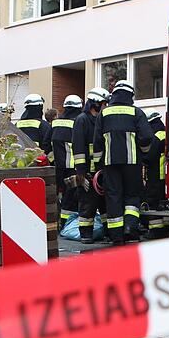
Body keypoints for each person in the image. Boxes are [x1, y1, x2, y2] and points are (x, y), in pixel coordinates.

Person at [92, 80, 153, 245]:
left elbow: (97, 142)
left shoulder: (104, 114)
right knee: (132, 196)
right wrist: (144, 153)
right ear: (130, 95)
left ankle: (116, 236)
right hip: (132, 163)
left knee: (113, 197)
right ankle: (130, 228)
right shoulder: (136, 112)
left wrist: (98, 164)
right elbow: (147, 137)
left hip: (110, 164)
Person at [73, 87, 109, 244]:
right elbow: (78, 147)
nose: (105, 106)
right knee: (88, 204)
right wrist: (81, 172)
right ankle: (86, 234)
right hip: (87, 172)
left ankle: (109, 233)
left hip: (102, 170)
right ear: (95, 104)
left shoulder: (101, 119)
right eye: (103, 103)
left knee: (105, 204)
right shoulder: (82, 119)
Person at [51, 95, 82, 230]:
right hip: (73, 168)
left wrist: (54, 160)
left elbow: (47, 145)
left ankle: (57, 223)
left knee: (58, 195)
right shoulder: (78, 122)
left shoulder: (55, 122)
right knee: (71, 197)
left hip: (58, 168)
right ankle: (66, 225)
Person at [140, 110, 169, 239]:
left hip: (155, 173)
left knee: (152, 202)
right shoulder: (165, 133)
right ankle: (165, 228)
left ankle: (155, 230)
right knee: (162, 202)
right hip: (164, 174)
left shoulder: (155, 136)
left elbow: (150, 156)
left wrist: (141, 159)